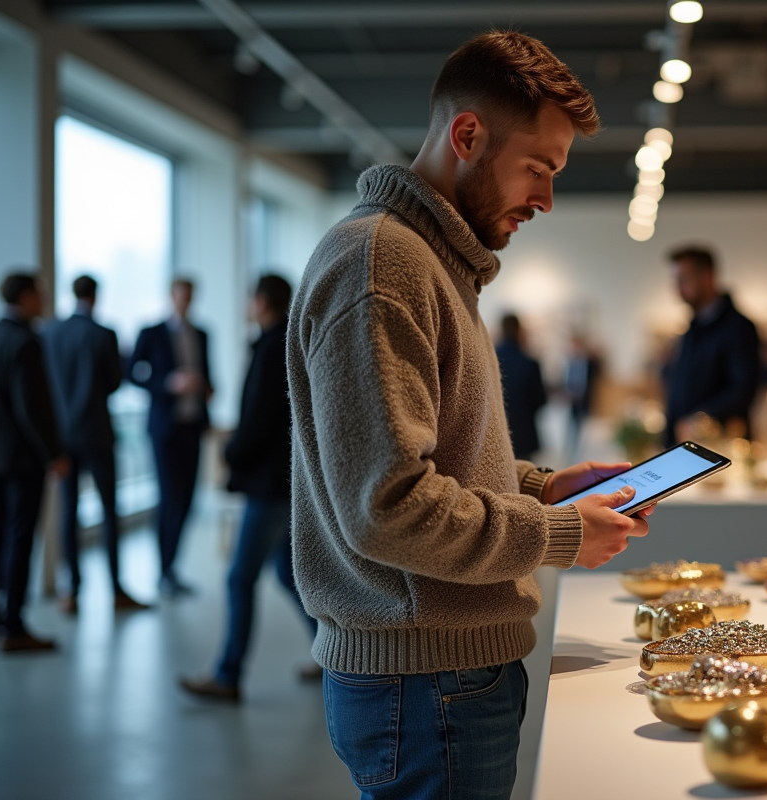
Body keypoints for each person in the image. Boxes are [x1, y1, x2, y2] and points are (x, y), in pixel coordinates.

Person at [287, 31, 651, 800]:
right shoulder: (382, 264)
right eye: (539, 168)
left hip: (442, 675)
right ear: (468, 134)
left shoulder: (427, 263)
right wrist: (556, 534)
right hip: (427, 683)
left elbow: (433, 458)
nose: (546, 198)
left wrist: (542, 488)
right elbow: (387, 508)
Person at [180, 275, 317, 702]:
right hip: (282, 481)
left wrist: (231, 453)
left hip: (270, 484)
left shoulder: (272, 346)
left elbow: (259, 419)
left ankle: (227, 674)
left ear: (260, 301)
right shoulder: (285, 342)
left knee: (240, 578)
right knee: (286, 573)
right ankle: (337, 654)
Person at [41, 275, 148, 614]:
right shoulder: (104, 333)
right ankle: (116, 589)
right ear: (95, 296)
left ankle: (71, 589)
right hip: (97, 434)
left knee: (68, 512)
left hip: (62, 435)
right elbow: (115, 382)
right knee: (108, 511)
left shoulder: (49, 333)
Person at [0, 273, 67, 651]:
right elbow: (31, 409)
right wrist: (53, 454)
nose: (44, 299)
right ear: (25, 297)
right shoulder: (26, 341)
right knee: (21, 538)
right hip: (22, 460)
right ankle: (14, 625)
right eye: (39, 294)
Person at [126, 278, 213, 596]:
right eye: (181, 296)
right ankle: (163, 570)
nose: (185, 301)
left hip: (193, 426)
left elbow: (208, 373)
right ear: (171, 297)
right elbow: (131, 372)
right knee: (168, 497)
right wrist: (167, 383)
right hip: (164, 428)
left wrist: (206, 388)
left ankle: (172, 568)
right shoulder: (152, 333)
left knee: (187, 499)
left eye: (190, 296)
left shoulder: (202, 334)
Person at [662, 245, 760, 445]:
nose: (677, 288)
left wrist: (699, 418)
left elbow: (743, 389)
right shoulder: (693, 328)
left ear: (706, 277)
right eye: (676, 281)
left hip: (716, 447)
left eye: (683, 279)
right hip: (686, 442)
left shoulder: (738, 327)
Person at [495, 313, 548, 460]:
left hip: (496, 434)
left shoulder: (490, 359)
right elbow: (541, 400)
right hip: (524, 434)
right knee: (526, 478)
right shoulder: (530, 363)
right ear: (519, 331)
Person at [562, 333, 601, 460]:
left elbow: (595, 380)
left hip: (586, 400)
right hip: (573, 399)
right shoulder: (570, 362)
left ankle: (582, 454)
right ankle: (570, 452)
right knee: (572, 426)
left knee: (585, 428)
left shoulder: (590, 362)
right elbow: (567, 379)